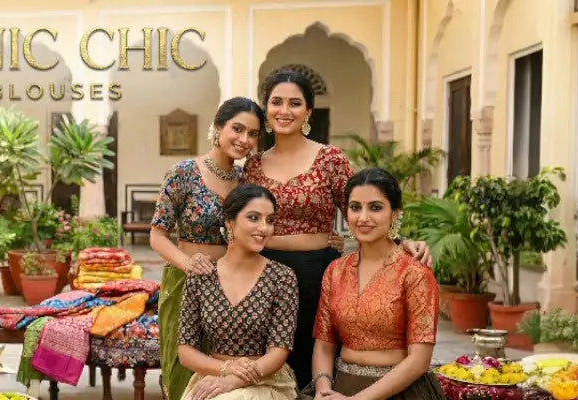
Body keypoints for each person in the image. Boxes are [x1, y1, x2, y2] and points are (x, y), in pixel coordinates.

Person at [243, 71, 432, 388]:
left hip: (316, 278)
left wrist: (402, 242)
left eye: (295, 103)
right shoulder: (253, 164)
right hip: (262, 279)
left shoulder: (328, 158)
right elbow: (242, 221)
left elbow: (364, 210)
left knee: (309, 363)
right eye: (276, 102)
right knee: (266, 369)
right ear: (265, 110)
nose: (284, 110)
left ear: (308, 112)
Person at [152, 97, 265, 400]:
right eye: (237, 129)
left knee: (220, 376)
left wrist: (325, 238)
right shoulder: (184, 172)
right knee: (180, 375)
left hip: (232, 286)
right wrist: (187, 264)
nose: (244, 140)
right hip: (185, 284)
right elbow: (158, 235)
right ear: (218, 127)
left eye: (253, 134)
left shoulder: (247, 180)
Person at [306, 168, 444, 399]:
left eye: (376, 207)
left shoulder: (414, 273)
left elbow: (419, 360)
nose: (363, 218)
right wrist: (323, 389)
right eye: (355, 207)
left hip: (400, 391)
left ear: (395, 214)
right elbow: (324, 345)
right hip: (340, 387)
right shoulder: (336, 271)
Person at [178, 184, 299, 400]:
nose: (264, 228)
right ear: (229, 222)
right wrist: (225, 370)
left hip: (265, 379)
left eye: (270, 220)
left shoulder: (282, 277)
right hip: (213, 375)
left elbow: (279, 351)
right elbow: (185, 351)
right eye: (253, 218)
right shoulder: (202, 275)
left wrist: (233, 381)